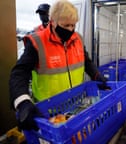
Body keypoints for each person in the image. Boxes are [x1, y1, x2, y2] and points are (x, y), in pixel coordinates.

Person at [9, 0, 107, 131]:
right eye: (66, 25)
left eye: (73, 25)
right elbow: (19, 73)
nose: (71, 30)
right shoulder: (37, 42)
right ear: (53, 21)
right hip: (48, 112)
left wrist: (97, 75)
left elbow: (86, 61)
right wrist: (23, 102)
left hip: (76, 106)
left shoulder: (77, 39)